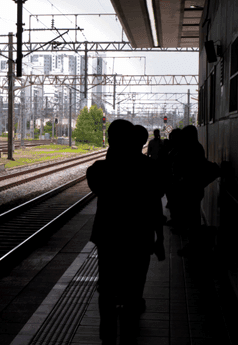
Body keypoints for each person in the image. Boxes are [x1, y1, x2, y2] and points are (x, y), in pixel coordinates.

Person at [87, 120, 165, 345]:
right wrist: (159, 237)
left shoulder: (99, 170)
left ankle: (107, 337)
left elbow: (98, 183)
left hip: (109, 238)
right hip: (139, 239)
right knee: (133, 290)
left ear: (111, 141)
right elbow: (155, 205)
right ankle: (129, 335)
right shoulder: (149, 169)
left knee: (107, 289)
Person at [170, 125, 207, 256]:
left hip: (190, 187)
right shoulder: (197, 147)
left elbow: (190, 169)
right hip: (194, 188)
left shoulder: (192, 149)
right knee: (193, 216)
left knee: (193, 218)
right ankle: (193, 244)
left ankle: (193, 245)